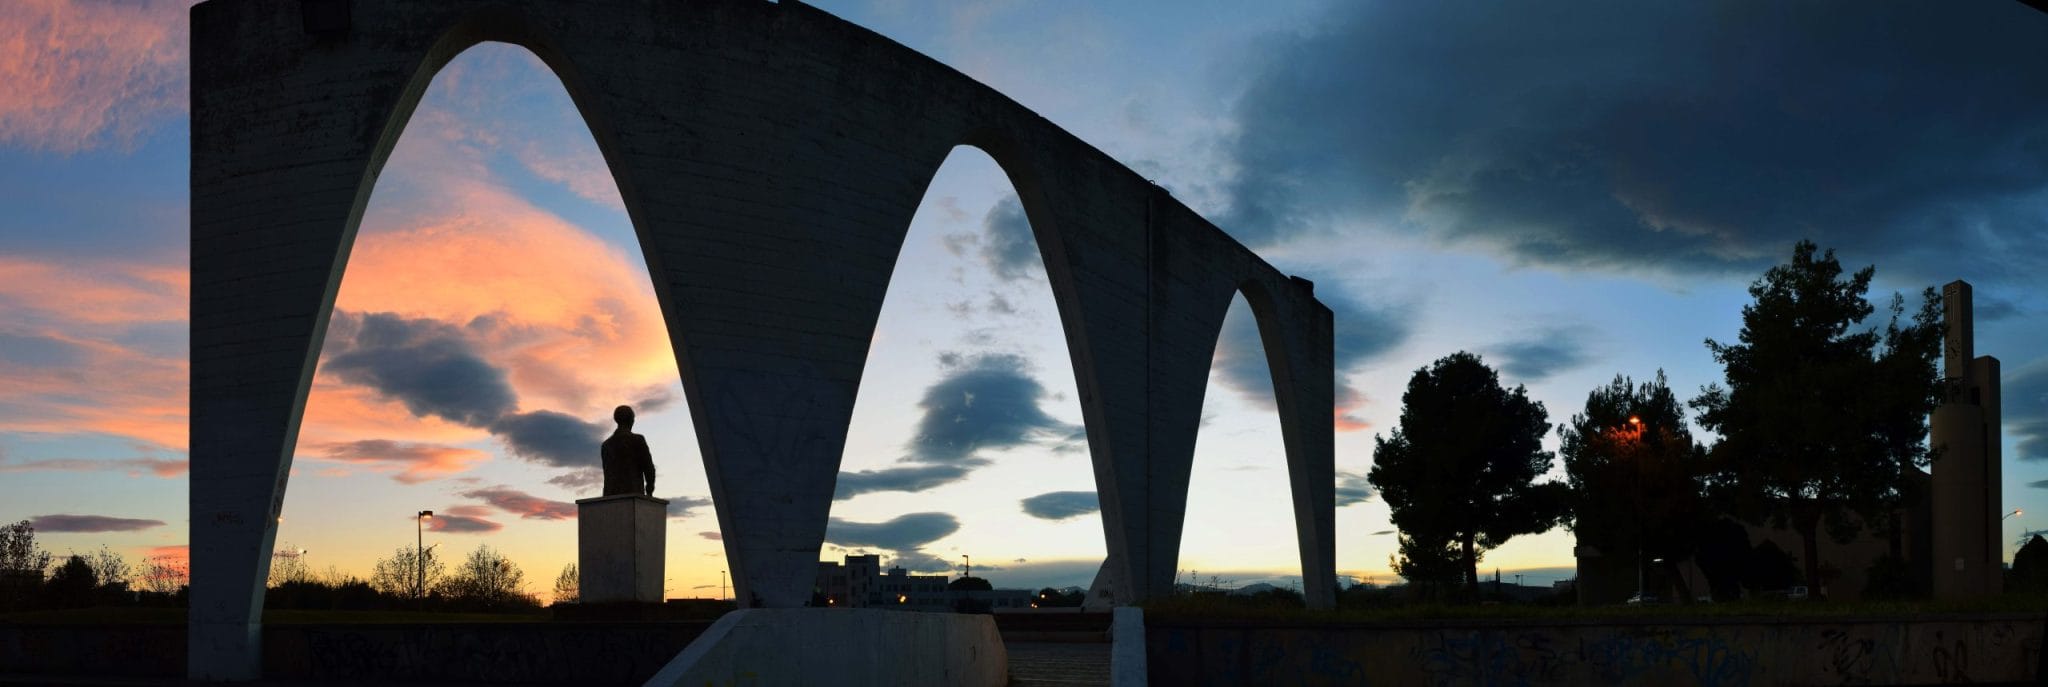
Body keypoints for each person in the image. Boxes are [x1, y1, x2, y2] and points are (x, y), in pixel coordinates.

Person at [601, 405, 656, 496]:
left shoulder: (606, 445)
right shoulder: (637, 440)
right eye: (633, 418)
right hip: (633, 493)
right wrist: (649, 489)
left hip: (610, 495)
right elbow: (648, 467)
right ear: (631, 420)